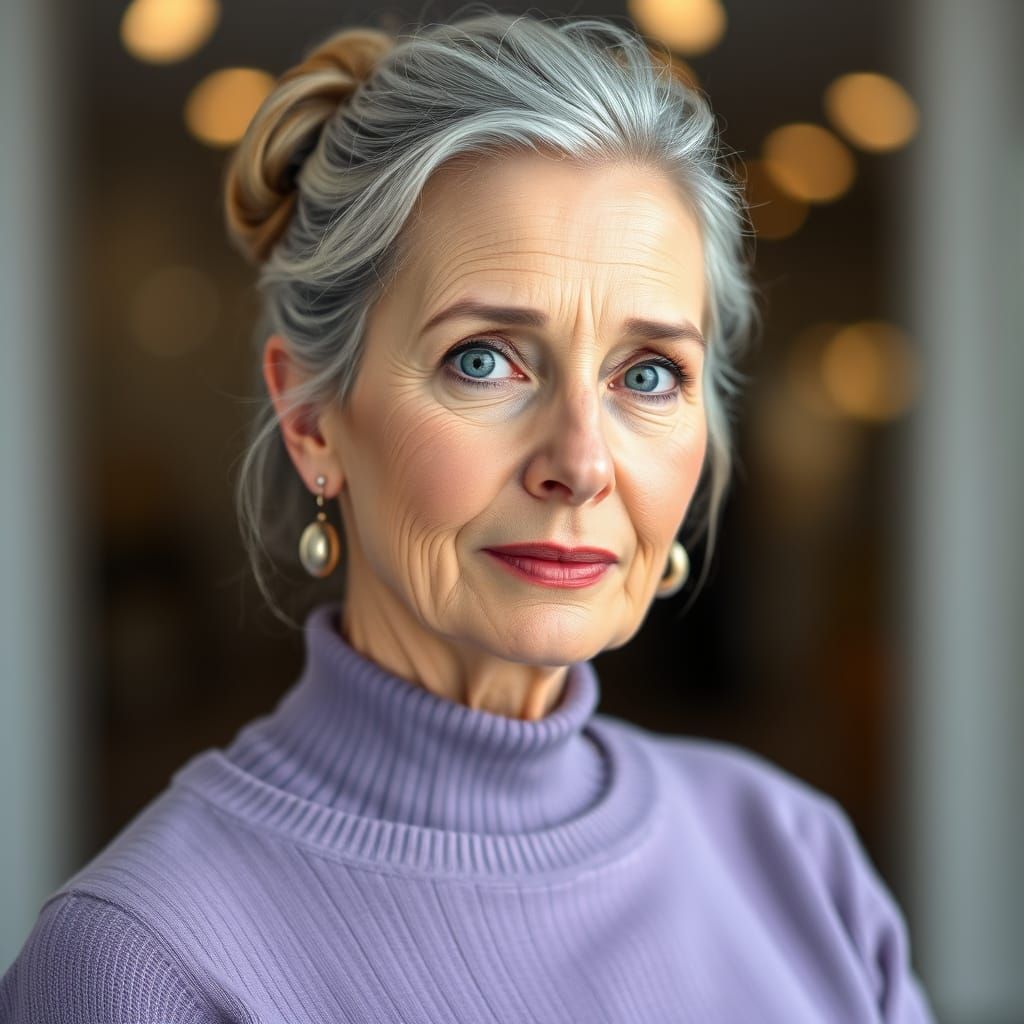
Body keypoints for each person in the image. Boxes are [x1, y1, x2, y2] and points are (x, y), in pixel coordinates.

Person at [0, 10, 936, 1022]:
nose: (580, 464)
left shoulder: (797, 857)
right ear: (311, 416)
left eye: (649, 372)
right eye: (482, 359)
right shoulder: (140, 960)